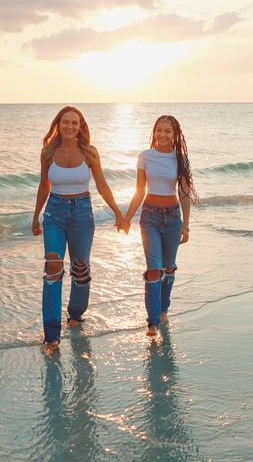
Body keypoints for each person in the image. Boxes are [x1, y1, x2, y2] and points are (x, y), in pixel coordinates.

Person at [32, 105, 123, 354]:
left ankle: (76, 314)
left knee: (80, 268)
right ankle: (51, 335)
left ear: (81, 126)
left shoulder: (90, 152)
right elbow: (43, 185)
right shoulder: (48, 152)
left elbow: (102, 185)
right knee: (52, 268)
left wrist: (117, 211)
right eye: (65, 122)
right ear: (58, 125)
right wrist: (36, 216)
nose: (70, 126)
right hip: (54, 213)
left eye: (75, 123)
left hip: (82, 212)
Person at [122, 115, 199, 336]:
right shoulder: (145, 156)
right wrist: (126, 218)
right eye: (159, 130)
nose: (162, 135)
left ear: (175, 135)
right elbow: (139, 190)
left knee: (169, 267)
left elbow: (184, 193)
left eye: (167, 131)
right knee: (154, 268)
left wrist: (186, 225)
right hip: (150, 218)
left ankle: (164, 308)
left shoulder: (180, 158)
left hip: (173, 218)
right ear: (153, 132)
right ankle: (153, 322)